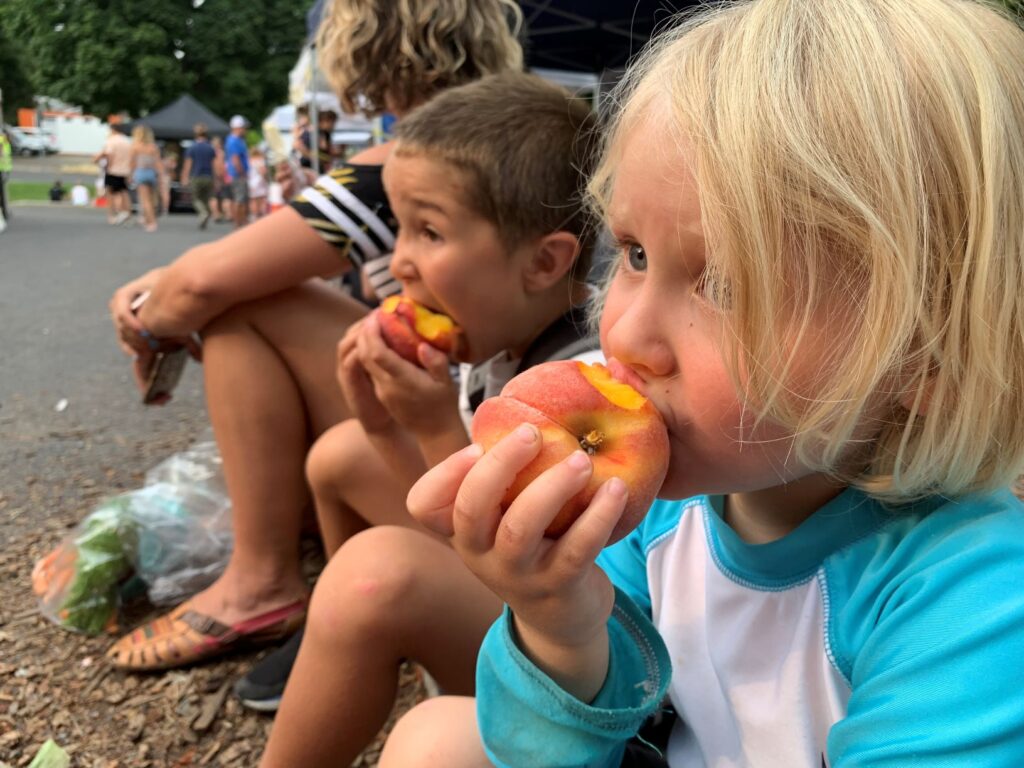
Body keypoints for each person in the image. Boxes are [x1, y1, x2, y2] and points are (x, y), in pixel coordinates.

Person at [381, 0, 1024, 766]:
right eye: (635, 254)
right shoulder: (660, 513)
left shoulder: (974, 597)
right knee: (435, 740)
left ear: (927, 357)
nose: (624, 335)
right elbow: (551, 750)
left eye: (723, 284)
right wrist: (557, 620)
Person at [104, 0, 523, 673]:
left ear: (363, 35)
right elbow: (219, 268)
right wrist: (171, 282)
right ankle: (295, 549)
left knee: (239, 311)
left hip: (468, 445)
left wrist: (145, 323)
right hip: (506, 420)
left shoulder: (420, 156)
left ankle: (261, 581)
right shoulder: (515, 131)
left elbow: (206, 286)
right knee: (258, 296)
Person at [247, 76, 599, 754]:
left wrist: (437, 426)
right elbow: (447, 524)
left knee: (377, 576)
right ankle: (337, 643)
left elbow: (511, 549)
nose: (399, 261)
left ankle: (363, 627)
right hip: (496, 582)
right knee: (341, 453)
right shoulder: (503, 334)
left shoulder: (584, 386)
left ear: (544, 262)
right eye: (401, 228)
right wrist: (381, 424)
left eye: (429, 231)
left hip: (566, 649)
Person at [93, 125, 132, 225]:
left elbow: (109, 154)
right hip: (125, 170)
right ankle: (127, 212)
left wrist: (107, 166)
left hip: (113, 170)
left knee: (110, 193)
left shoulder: (111, 141)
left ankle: (111, 215)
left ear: (113, 130)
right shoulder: (127, 142)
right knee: (123, 191)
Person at [181, 123, 217, 229]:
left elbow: (188, 164)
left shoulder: (192, 147)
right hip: (208, 176)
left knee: (196, 198)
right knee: (206, 199)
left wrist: (184, 177)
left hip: (196, 176)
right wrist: (216, 178)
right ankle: (206, 214)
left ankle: (203, 213)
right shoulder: (210, 148)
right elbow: (214, 164)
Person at [130, 125, 163, 233]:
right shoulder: (153, 147)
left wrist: (130, 175)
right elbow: (158, 163)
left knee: (145, 200)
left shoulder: (135, 146)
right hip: (151, 173)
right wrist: (160, 176)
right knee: (151, 198)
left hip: (141, 172)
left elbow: (132, 163)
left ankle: (151, 222)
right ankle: (147, 218)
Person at [224, 115, 250, 228]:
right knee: (239, 199)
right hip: (238, 174)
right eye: (243, 128)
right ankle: (238, 223)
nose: (245, 130)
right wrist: (242, 172)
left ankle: (239, 222)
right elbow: (235, 159)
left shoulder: (235, 140)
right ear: (238, 128)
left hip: (236, 174)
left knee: (240, 199)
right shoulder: (234, 141)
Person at [209, 135, 230, 223]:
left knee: (213, 197)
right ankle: (227, 214)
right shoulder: (221, 153)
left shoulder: (211, 153)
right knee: (224, 197)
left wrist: (217, 176)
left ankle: (216, 214)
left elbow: (216, 166)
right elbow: (221, 166)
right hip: (221, 177)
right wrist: (221, 176)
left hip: (213, 177)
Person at [247, 147, 268, 220]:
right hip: (260, 182)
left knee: (253, 200)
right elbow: (263, 171)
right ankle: (262, 215)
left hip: (251, 182)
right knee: (262, 199)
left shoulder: (249, 161)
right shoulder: (260, 160)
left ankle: (254, 215)